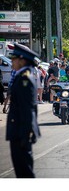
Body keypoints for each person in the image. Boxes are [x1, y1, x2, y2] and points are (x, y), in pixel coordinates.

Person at [5, 43, 41, 178]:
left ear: (22, 60)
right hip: (18, 131)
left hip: (20, 132)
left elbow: (28, 109)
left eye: (14, 59)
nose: (12, 62)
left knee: (24, 173)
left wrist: (25, 134)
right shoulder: (22, 76)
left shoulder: (25, 78)